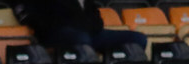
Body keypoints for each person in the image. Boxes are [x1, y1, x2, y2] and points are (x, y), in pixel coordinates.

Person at [19, 0, 147, 52]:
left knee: (138, 39)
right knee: (81, 39)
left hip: (90, 33)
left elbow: (97, 20)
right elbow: (34, 17)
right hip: (56, 33)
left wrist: (88, 26)